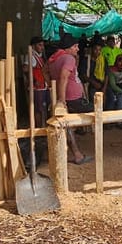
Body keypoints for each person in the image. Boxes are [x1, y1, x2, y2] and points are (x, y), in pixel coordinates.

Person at [46, 34, 93, 165]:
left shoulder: (53, 58)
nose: (78, 49)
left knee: (66, 124)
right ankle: (77, 149)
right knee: (94, 112)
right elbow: (63, 77)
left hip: (65, 97)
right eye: (75, 46)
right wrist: (62, 99)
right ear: (68, 48)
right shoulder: (68, 58)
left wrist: (51, 85)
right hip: (71, 98)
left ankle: (76, 152)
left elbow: (45, 71)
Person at [27, 36, 49, 127]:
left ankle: (42, 128)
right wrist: (34, 79)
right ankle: (39, 129)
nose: (42, 47)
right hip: (38, 87)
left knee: (43, 108)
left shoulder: (38, 57)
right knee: (39, 110)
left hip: (43, 86)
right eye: (40, 45)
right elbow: (25, 68)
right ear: (34, 46)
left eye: (42, 45)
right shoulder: (32, 57)